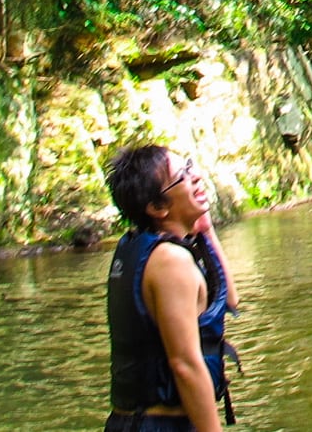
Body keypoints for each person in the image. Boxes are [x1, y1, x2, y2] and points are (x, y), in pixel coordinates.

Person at [104, 145, 239, 432]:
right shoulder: (170, 261)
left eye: (191, 166)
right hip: (159, 425)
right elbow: (185, 366)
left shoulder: (147, 246)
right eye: (184, 175)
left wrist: (205, 229)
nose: (197, 176)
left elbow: (228, 299)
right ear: (157, 207)